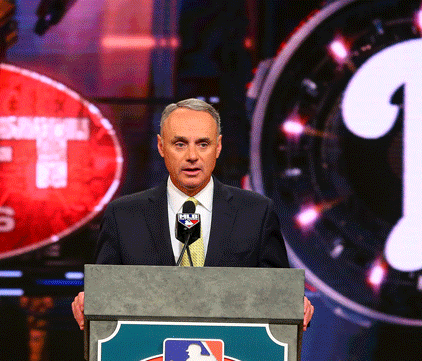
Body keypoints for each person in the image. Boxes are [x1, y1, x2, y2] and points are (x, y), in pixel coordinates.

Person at [71, 98, 313, 328]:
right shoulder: (123, 217)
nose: (192, 157)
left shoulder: (256, 214)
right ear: (161, 146)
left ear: (218, 147)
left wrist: (294, 305)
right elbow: (104, 295)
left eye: (203, 144)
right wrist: (90, 303)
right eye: (180, 144)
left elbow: (277, 296)